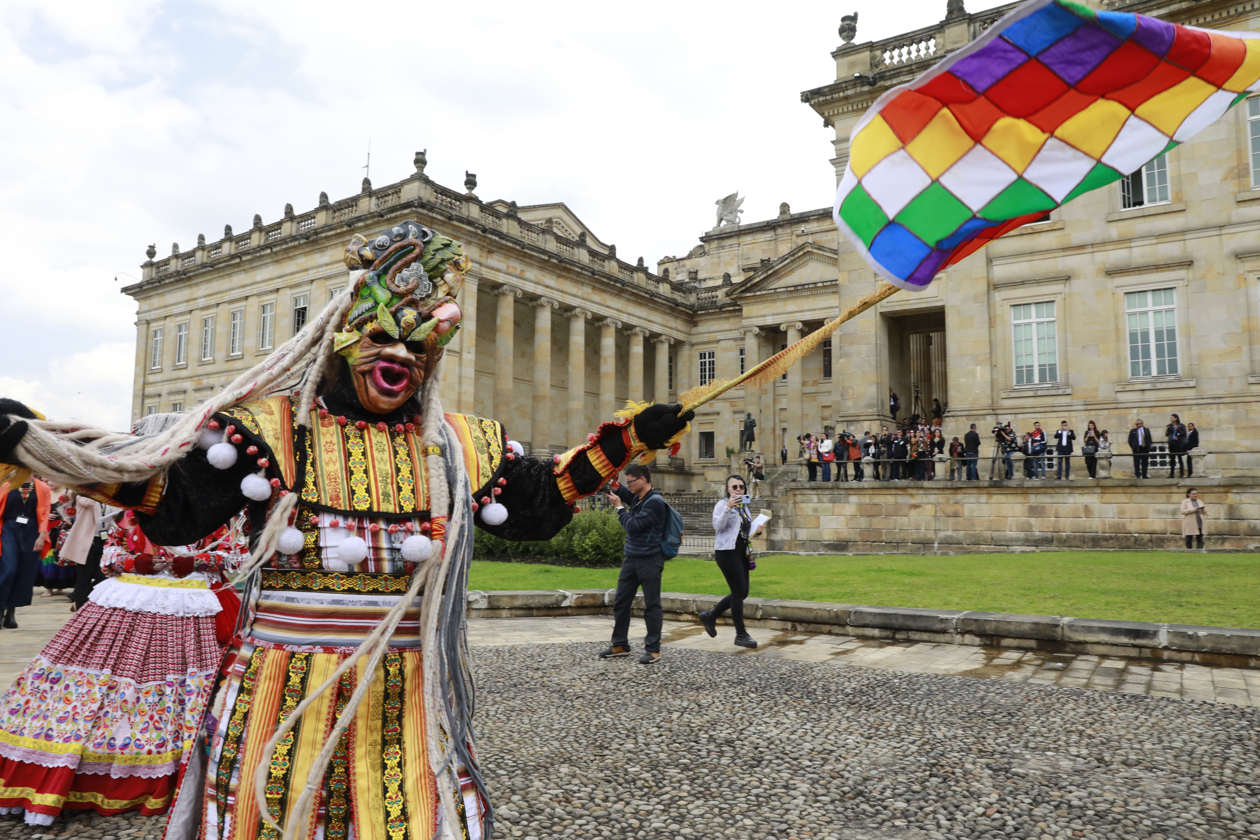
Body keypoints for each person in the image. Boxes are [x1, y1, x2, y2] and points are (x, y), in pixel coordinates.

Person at [0, 222, 694, 839]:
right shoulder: (274, 430)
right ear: (341, 337)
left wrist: (630, 438)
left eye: (420, 349)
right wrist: (45, 446)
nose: (402, 361)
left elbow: (542, 504)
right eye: (384, 338)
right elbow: (173, 501)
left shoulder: (455, 445)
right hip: (282, 688)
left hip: (407, 692)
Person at [0, 505, 246, 827]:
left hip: (194, 600)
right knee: (89, 688)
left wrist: (196, 561)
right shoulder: (134, 511)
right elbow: (108, 554)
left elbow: (236, 555)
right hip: (130, 596)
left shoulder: (216, 511)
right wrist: (133, 562)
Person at [603, 464, 672, 665]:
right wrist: (611, 483)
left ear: (643, 480)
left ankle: (653, 650)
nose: (628, 485)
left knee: (652, 605)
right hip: (631, 558)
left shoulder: (655, 502)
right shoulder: (639, 497)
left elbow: (632, 526)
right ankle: (621, 644)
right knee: (621, 602)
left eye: (631, 481)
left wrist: (619, 507)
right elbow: (623, 492)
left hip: (650, 560)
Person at [699, 475, 766, 649]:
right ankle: (741, 635)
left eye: (741, 487)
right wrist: (728, 507)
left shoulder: (744, 507)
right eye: (734, 487)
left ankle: (711, 614)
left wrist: (756, 530)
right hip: (726, 552)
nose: (738, 490)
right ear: (728, 489)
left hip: (741, 551)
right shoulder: (722, 505)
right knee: (738, 592)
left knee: (743, 592)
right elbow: (717, 526)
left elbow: (744, 531)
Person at [0, 476, 51, 629]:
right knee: (9, 568)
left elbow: (45, 514)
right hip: (8, 529)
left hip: (31, 530)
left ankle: (11, 612)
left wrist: (42, 535)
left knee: (24, 571)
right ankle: (0, 608)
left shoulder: (42, 487)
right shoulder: (5, 483)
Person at [1166, 413, 1187, 478]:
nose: (1171, 419)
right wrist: (1168, 429)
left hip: (1178, 443)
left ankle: (1181, 474)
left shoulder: (1181, 425)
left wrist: (1178, 428)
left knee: (1180, 459)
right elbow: (1167, 435)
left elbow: (1183, 433)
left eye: (1172, 418)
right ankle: (1171, 474)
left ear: (1176, 418)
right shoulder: (1171, 425)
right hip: (1172, 443)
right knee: (1172, 459)